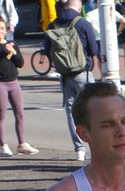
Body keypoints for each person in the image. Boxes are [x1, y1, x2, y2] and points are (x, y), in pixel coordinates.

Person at [47, 0, 100, 162]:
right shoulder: (82, 23)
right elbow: (94, 49)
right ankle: (97, 147)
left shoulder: (53, 25)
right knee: (94, 110)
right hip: (83, 73)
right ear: (78, 6)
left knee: (71, 113)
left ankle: (79, 150)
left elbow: (47, 49)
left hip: (65, 75)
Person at [0, 18, 39, 156]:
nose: (0, 31)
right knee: (2, 114)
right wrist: (7, 56)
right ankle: (3, 146)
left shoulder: (12, 45)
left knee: (20, 113)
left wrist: (14, 52)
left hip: (13, 82)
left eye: (2, 28)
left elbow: (20, 63)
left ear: (6, 30)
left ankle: (22, 144)